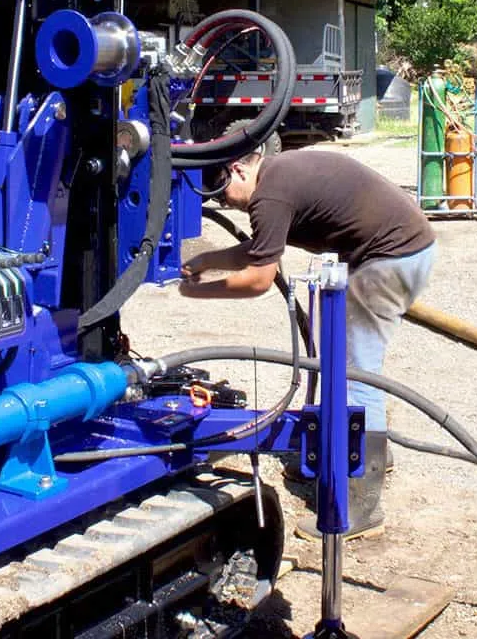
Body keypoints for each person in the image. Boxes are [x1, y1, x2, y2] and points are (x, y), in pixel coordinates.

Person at [179, 148, 436, 541]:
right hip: (395, 248)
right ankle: (331, 450)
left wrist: (196, 293)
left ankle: (358, 505)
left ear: (237, 168)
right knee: (329, 352)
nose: (224, 203)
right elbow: (259, 249)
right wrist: (208, 260)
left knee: (353, 370)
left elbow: (259, 279)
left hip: (392, 256)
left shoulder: (269, 195)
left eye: (221, 192)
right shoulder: (277, 178)